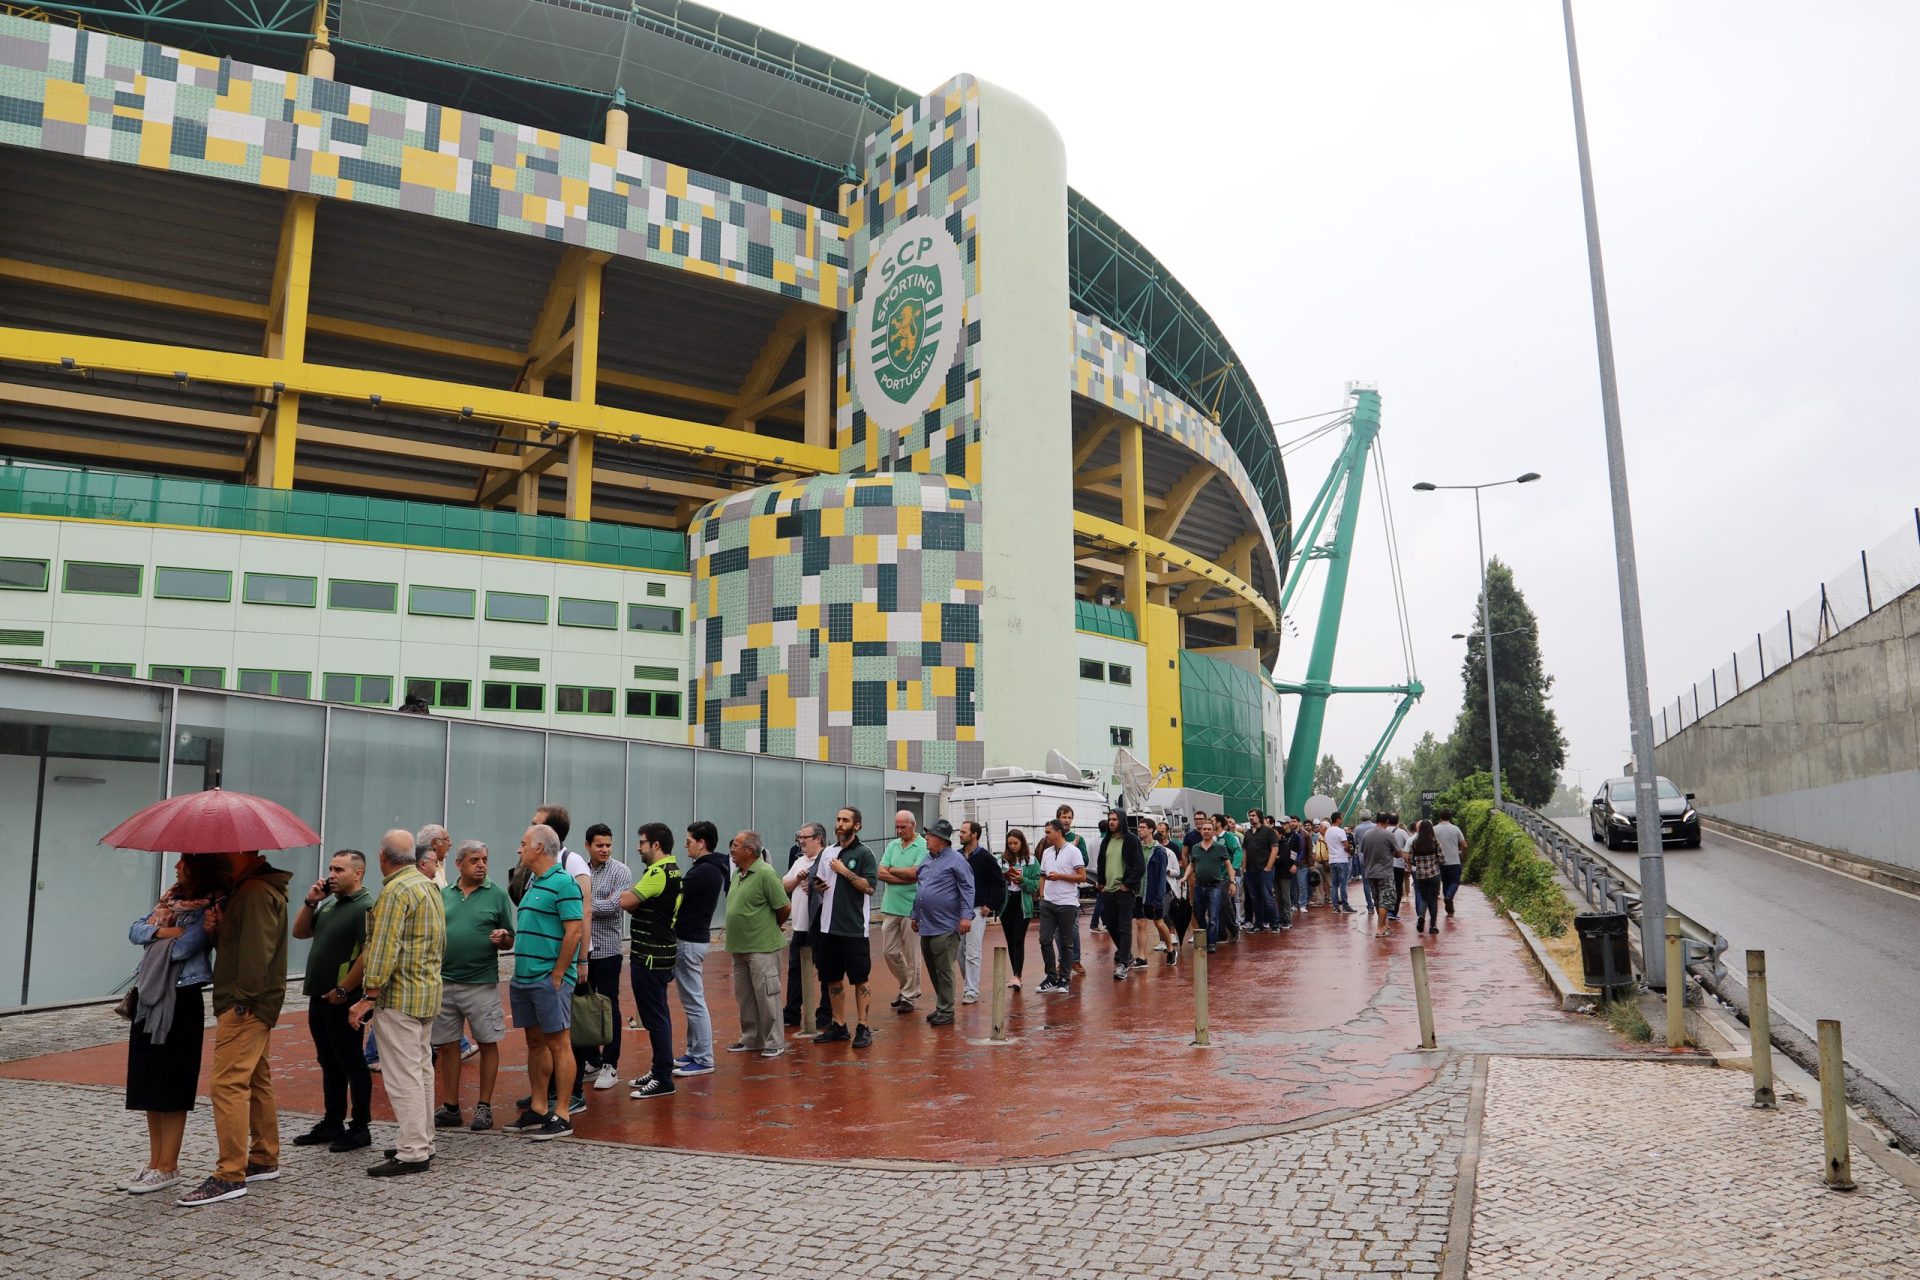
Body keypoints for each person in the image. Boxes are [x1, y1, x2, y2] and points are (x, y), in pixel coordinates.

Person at [175, 846, 290, 1208]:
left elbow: (258, 953)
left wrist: (242, 1001)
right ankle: (263, 1156)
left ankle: (229, 1174)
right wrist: (220, 929)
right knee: (256, 1078)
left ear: (240, 849)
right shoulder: (251, 888)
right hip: (252, 1000)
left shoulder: (255, 891)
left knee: (227, 1083)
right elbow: (246, 945)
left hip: (246, 1004)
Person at [122, 853, 224, 1195]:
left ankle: (169, 1165)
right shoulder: (169, 900)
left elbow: (186, 947)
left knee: (173, 1083)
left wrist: (160, 932)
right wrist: (167, 929)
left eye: (182, 863)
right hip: (151, 997)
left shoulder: (209, 906)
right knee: (149, 1082)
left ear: (195, 870)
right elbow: (135, 931)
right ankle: (155, 1162)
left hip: (180, 998)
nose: (176, 867)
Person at [348, 830, 447, 1177]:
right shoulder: (427, 886)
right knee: (421, 1071)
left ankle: (414, 1151)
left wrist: (368, 996)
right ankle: (422, 1140)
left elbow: (383, 948)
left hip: (400, 995)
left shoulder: (396, 891)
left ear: (382, 857)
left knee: (404, 1076)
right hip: (426, 991)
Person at [503, 824, 584, 1142]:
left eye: (523, 844)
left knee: (558, 1043)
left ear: (539, 847)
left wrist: (559, 973)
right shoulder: (534, 882)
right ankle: (538, 1107)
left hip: (548, 979)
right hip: (524, 977)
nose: (519, 849)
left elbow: (574, 931)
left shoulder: (564, 883)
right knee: (535, 1042)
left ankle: (562, 1113)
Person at [290, 850, 373, 1154]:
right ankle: (332, 1121)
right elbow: (299, 932)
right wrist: (312, 901)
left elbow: (368, 953)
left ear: (358, 873)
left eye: (339, 869)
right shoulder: (330, 905)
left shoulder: (365, 906)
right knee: (328, 1060)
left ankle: (360, 1127)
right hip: (318, 996)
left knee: (351, 1061)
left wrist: (344, 989)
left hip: (344, 998)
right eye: (330, 869)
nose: (331, 875)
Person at [431, 840, 513, 1132]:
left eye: (485, 859)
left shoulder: (497, 895)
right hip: (446, 981)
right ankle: (451, 1106)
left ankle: (484, 1106)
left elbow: (510, 939)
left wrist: (504, 937)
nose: (481, 865)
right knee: (447, 1045)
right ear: (459, 864)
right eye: (475, 860)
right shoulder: (443, 895)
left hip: (481, 984)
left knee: (488, 1043)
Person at [620, 822, 682, 1100]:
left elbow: (625, 901)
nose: (638, 847)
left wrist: (629, 896)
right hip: (659, 953)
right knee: (658, 1014)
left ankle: (663, 1077)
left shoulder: (658, 873)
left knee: (655, 1017)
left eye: (642, 842)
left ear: (656, 845)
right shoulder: (672, 869)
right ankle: (659, 1068)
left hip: (650, 956)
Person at [809, 806, 879, 1048]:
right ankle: (838, 1025)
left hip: (854, 929)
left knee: (860, 978)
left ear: (856, 825)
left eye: (845, 820)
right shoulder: (828, 851)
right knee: (832, 979)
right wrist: (818, 886)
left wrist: (844, 871)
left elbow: (870, 888)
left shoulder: (864, 853)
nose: (840, 824)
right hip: (828, 927)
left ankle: (863, 1025)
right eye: (838, 819)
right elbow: (819, 880)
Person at [576, 822, 633, 1095]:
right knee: (583, 1005)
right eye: (600, 845)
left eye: (608, 845)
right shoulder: (579, 870)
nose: (605, 850)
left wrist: (583, 905)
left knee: (609, 1006)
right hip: (583, 950)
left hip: (608, 950)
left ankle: (611, 1063)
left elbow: (614, 905)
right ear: (588, 845)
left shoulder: (621, 871)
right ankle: (593, 1060)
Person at [723, 831, 791, 1057]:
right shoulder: (738, 873)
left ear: (749, 850)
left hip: (762, 947)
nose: (732, 849)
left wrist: (771, 926)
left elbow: (783, 907)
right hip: (739, 946)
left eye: (736, 845)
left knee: (767, 996)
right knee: (745, 997)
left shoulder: (765, 873)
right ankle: (752, 1038)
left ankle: (774, 1041)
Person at [669, 820, 728, 1079]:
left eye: (689, 841)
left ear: (701, 843)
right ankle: (694, 1052)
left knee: (694, 1001)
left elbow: (675, 894)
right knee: (692, 999)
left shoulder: (703, 871)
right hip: (693, 939)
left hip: (690, 941)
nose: (686, 845)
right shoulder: (710, 868)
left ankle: (703, 1057)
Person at [909, 820, 974, 1025]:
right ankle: (942, 1005)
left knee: (944, 970)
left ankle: (946, 1011)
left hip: (946, 925)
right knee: (932, 967)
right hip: (926, 924)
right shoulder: (926, 860)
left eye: (930, 835)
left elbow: (967, 889)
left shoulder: (957, 860)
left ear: (942, 840)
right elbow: (921, 890)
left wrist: (965, 916)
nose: (926, 838)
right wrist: (915, 915)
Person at [780, 824, 833, 1032]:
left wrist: (812, 884)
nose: (801, 842)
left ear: (818, 838)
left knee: (825, 970)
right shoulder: (799, 861)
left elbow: (830, 887)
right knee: (795, 970)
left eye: (805, 837)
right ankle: (792, 1011)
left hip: (820, 925)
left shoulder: (827, 859)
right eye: (799, 838)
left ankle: (826, 1012)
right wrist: (799, 879)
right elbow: (784, 885)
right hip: (800, 925)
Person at [876, 810, 928, 1014]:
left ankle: (908, 995)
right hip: (890, 907)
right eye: (897, 827)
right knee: (889, 952)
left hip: (911, 908)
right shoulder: (892, 845)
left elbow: (916, 873)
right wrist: (903, 874)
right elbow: (880, 872)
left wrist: (893, 870)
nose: (899, 831)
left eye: (903, 827)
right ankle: (908, 986)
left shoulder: (922, 845)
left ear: (913, 825)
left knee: (912, 953)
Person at [1091, 809, 1144, 980]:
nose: (1111, 822)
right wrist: (1100, 883)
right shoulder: (1107, 840)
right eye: (1109, 819)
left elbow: (1139, 866)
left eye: (1114, 819)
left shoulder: (1131, 840)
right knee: (1111, 925)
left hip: (1124, 891)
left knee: (1124, 926)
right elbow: (1101, 862)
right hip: (1108, 890)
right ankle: (1127, 955)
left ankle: (1122, 962)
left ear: (1121, 820)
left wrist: (1128, 884)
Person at [1035, 819, 1085, 993]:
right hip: (1048, 903)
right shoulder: (1047, 852)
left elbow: (1082, 877)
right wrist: (1042, 895)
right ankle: (1051, 976)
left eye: (1048, 832)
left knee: (1066, 942)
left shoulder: (1073, 851)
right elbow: (1042, 875)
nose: (1046, 835)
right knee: (1044, 940)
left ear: (1058, 832)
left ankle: (1064, 978)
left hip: (1067, 904)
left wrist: (1061, 876)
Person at [959, 820, 1003, 1004]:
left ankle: (971, 990)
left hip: (977, 909)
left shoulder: (986, 858)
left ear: (974, 834)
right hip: (959, 910)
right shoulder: (958, 856)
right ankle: (969, 983)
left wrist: (990, 904)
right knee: (959, 951)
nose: (960, 834)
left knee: (972, 951)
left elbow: (1000, 883)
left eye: (963, 831)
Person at [996, 829, 1040, 990]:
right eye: (1010, 844)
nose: (1013, 846)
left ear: (1022, 843)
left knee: (1018, 939)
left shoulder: (1031, 861)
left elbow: (1036, 884)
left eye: (1015, 843)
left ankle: (1017, 975)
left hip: (1022, 905)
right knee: (1010, 940)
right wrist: (1004, 878)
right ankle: (1015, 974)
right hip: (1007, 904)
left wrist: (1022, 880)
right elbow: (995, 881)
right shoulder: (1001, 860)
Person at [1185, 816, 1235, 954]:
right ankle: (1207, 935)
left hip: (1215, 887)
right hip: (1199, 886)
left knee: (1213, 916)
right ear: (1201, 832)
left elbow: (1228, 865)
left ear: (1213, 832)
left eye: (1209, 829)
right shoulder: (1195, 848)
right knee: (1199, 914)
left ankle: (1211, 942)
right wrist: (1185, 876)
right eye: (1204, 829)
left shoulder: (1220, 848)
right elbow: (1191, 864)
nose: (1206, 831)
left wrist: (1232, 882)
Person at [1137, 817, 1177, 964]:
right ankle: (1141, 957)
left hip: (1153, 894)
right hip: (1139, 893)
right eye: (1139, 827)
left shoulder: (1159, 851)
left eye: (1142, 827)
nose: (1140, 830)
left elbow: (1161, 876)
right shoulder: (1139, 849)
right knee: (1140, 923)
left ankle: (1171, 949)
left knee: (1159, 923)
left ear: (1150, 830)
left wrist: (1158, 897)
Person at [1056, 805, 1089, 976]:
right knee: (1056, 929)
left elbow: (1085, 861)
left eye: (1069, 817)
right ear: (1058, 819)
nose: (1066, 820)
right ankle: (1062, 961)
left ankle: (1075, 960)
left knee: (1073, 927)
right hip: (1053, 889)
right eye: (1064, 817)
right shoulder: (1050, 838)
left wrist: (1072, 849)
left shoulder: (1078, 839)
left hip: (1071, 888)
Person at [1358, 816, 1399, 939]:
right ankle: (1380, 928)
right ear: (1386, 821)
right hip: (1385, 872)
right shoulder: (1389, 835)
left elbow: (1363, 851)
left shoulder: (1366, 835)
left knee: (1377, 899)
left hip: (1370, 872)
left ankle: (1384, 925)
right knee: (1386, 900)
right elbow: (1397, 853)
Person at [1243, 808, 1280, 932]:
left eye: (1253, 815)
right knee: (1255, 899)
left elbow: (1274, 849)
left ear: (1260, 817)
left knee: (1268, 897)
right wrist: (1244, 869)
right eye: (1250, 815)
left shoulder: (1268, 832)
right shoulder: (1247, 833)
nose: (1251, 817)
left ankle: (1275, 924)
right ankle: (1258, 925)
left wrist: (1268, 867)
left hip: (1264, 871)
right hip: (1250, 871)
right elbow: (1245, 851)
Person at [1160, 823, 1192, 958]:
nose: (1160, 834)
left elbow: (1179, 863)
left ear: (1168, 832)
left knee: (1167, 912)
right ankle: (1163, 939)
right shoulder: (1152, 848)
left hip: (1169, 885)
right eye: (1158, 831)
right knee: (1159, 914)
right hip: (1156, 887)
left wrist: (1169, 871)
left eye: (1162, 831)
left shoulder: (1173, 847)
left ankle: (1171, 933)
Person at [1409, 820, 1445, 935]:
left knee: (1424, 898)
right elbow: (1442, 859)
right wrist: (1434, 863)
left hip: (1420, 876)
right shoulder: (1435, 842)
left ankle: (1421, 917)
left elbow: (1410, 859)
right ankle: (1433, 926)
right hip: (1434, 875)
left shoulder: (1415, 843)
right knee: (1433, 900)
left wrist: (1418, 863)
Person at [1434, 809, 1468, 917]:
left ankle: (1449, 903)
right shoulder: (1455, 829)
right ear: (1450, 817)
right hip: (1454, 860)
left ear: (1440, 817)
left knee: (1445, 882)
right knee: (1455, 882)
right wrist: (1462, 853)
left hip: (1440, 862)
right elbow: (1464, 844)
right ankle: (1449, 897)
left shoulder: (1434, 829)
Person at [1324, 813, 1353, 914]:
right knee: (1343, 884)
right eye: (1341, 818)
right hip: (1342, 859)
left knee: (1334, 885)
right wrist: (1351, 850)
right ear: (1337, 819)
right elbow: (1346, 845)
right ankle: (1345, 906)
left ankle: (1335, 907)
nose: (1342, 820)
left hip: (1332, 860)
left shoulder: (1327, 831)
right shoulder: (1340, 831)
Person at [1390, 814, 1411, 923]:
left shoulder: (1382, 831)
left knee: (1387, 887)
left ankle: (1386, 910)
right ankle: (1393, 912)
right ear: (1397, 821)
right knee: (1398, 887)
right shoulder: (1402, 832)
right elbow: (1409, 845)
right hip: (1398, 864)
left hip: (1384, 865)